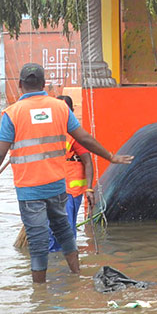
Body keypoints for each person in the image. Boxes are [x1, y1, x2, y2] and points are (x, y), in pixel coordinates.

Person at [0, 63, 132, 283]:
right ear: (44, 84)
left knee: (38, 241)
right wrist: (110, 157)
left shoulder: (12, 113)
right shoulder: (60, 108)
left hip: (29, 190)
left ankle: (39, 296)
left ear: (20, 85)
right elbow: (85, 138)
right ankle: (76, 276)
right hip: (58, 186)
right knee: (64, 231)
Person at [48, 95, 94, 253]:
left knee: (65, 231)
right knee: (54, 232)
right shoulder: (51, 135)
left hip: (70, 193)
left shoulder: (76, 137)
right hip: (53, 190)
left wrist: (89, 189)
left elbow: (88, 161)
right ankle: (58, 268)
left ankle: (64, 267)